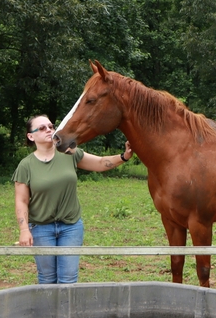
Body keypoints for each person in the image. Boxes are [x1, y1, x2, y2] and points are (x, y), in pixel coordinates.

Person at [12, 114, 133, 284]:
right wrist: (24, 230)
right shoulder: (26, 165)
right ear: (31, 136)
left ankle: (66, 311)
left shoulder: (69, 153)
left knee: (68, 279)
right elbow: (21, 201)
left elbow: (99, 163)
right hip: (41, 228)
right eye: (42, 128)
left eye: (50, 126)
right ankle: (50, 312)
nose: (49, 130)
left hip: (71, 227)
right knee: (47, 279)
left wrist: (124, 156)